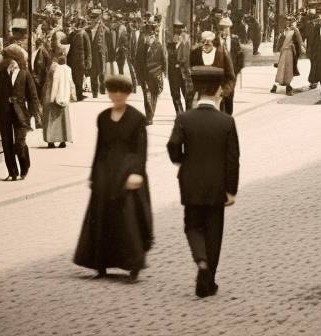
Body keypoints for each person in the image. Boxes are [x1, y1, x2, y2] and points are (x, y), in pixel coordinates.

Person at [167, 65, 240, 298]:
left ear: (197, 91)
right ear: (219, 90)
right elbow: (233, 160)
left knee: (193, 225)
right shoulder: (227, 122)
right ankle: (209, 280)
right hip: (217, 185)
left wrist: (181, 161)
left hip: (191, 182)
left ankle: (200, 261)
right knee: (214, 232)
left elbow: (173, 147)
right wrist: (231, 190)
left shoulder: (184, 118)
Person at [74, 75, 152, 279]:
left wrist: (137, 173)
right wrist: (94, 174)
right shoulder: (102, 117)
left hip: (127, 171)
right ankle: (101, 264)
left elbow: (140, 149)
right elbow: (99, 147)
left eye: (121, 92)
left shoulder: (136, 118)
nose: (117, 96)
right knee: (101, 217)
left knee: (126, 218)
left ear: (127, 94)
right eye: (113, 91)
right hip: (104, 172)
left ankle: (132, 263)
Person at [0, 45, 41, 181]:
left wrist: (36, 112)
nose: (7, 60)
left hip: (20, 112)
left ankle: (24, 167)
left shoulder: (24, 72)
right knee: (6, 142)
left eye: (9, 57)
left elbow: (33, 94)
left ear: (15, 58)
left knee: (20, 142)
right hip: (4, 112)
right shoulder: (2, 73)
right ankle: (12, 172)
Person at [190, 29, 235, 108]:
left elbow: (230, 76)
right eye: (204, 41)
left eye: (209, 41)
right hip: (200, 96)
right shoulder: (195, 54)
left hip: (217, 96)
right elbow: (190, 72)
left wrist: (226, 89)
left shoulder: (221, 54)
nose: (206, 44)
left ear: (213, 42)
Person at [134, 22, 165, 125]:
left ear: (153, 34)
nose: (148, 36)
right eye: (146, 33)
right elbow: (137, 61)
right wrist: (138, 75)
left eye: (150, 33)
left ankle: (151, 114)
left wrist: (162, 74)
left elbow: (163, 60)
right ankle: (149, 117)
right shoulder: (141, 45)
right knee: (147, 95)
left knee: (154, 95)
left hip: (154, 75)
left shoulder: (158, 46)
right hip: (144, 75)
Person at [42, 51, 74, 148]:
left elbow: (47, 85)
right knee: (62, 116)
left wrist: (45, 97)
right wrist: (72, 94)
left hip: (52, 95)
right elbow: (70, 83)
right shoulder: (67, 69)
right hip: (63, 96)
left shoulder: (52, 69)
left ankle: (51, 140)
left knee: (51, 117)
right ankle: (63, 139)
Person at [217, 17, 243, 115]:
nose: (224, 30)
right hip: (220, 72)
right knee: (220, 95)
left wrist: (236, 70)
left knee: (229, 94)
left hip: (231, 73)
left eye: (226, 27)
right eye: (222, 28)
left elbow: (240, 56)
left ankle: (228, 115)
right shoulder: (216, 40)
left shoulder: (235, 40)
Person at [271, 18, 302, 96]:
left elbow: (279, 44)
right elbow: (299, 43)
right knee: (288, 70)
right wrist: (299, 54)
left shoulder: (284, 31)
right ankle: (288, 88)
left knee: (280, 70)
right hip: (290, 52)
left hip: (283, 52)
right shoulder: (295, 31)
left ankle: (275, 86)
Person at [66, 17, 92, 101]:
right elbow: (88, 49)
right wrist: (88, 60)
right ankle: (79, 95)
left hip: (73, 59)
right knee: (79, 77)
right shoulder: (83, 33)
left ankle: (78, 94)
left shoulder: (73, 33)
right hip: (80, 60)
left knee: (76, 77)